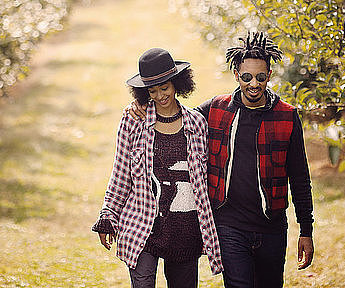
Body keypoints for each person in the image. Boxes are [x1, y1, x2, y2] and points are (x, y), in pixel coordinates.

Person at [128, 32, 314, 288]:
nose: (254, 84)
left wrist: (306, 229)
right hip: (229, 226)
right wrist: (139, 106)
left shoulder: (287, 117)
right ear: (237, 75)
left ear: (269, 75)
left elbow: (300, 178)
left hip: (272, 228)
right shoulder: (217, 108)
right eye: (246, 77)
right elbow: (174, 116)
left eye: (261, 77)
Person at [92, 48, 223, 288]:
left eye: (165, 88)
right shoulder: (134, 121)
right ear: (144, 92)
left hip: (184, 229)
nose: (160, 95)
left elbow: (205, 179)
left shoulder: (196, 123)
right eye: (152, 91)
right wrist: (108, 214)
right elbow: (120, 173)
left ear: (177, 84)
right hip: (142, 225)